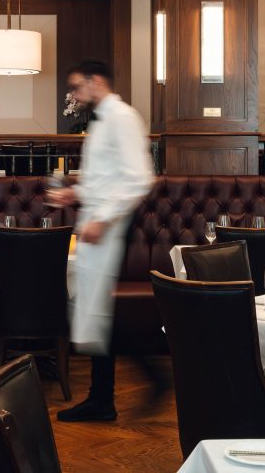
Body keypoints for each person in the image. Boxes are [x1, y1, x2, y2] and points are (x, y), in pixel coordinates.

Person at [47, 58, 154, 422]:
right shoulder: (102, 121)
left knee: (94, 311)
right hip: (94, 223)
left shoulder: (122, 117)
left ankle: (130, 387)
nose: (74, 94)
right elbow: (105, 179)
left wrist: (104, 220)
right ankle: (103, 398)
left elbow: (139, 179)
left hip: (107, 228)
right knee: (92, 311)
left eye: (76, 86)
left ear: (95, 82)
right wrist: (75, 193)